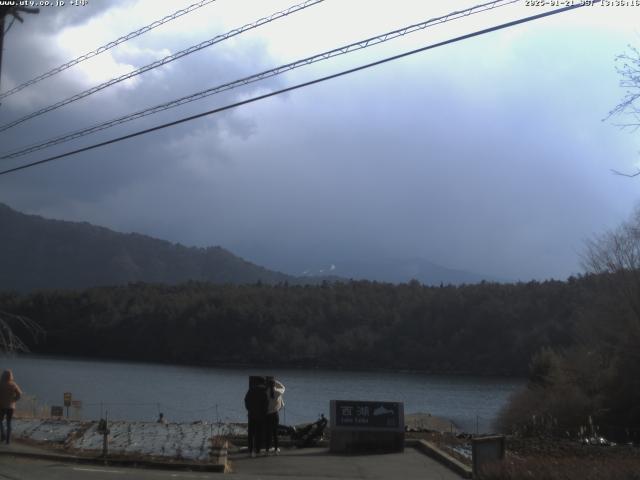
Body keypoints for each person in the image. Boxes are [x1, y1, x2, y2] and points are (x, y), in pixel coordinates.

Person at [244, 376, 268, 458]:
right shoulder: (264, 392)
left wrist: (249, 409)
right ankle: (257, 449)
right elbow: (266, 404)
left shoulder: (251, 390)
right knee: (259, 433)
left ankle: (250, 449)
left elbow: (246, 400)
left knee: (251, 433)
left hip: (251, 415)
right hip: (261, 416)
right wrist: (264, 413)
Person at [0, 370, 22, 445]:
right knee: (9, 422)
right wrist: (14, 400)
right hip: (11, 407)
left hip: (2, 406)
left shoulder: (1, 384)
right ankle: (8, 440)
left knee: (0, 421)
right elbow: (19, 394)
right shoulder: (13, 384)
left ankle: (3, 434)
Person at [265, 376, 285, 455]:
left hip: (267, 415)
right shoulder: (278, 392)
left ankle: (267, 450)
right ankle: (276, 449)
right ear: (274, 385)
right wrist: (275, 381)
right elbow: (283, 387)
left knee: (268, 433)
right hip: (275, 414)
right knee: (275, 432)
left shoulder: (265, 392)